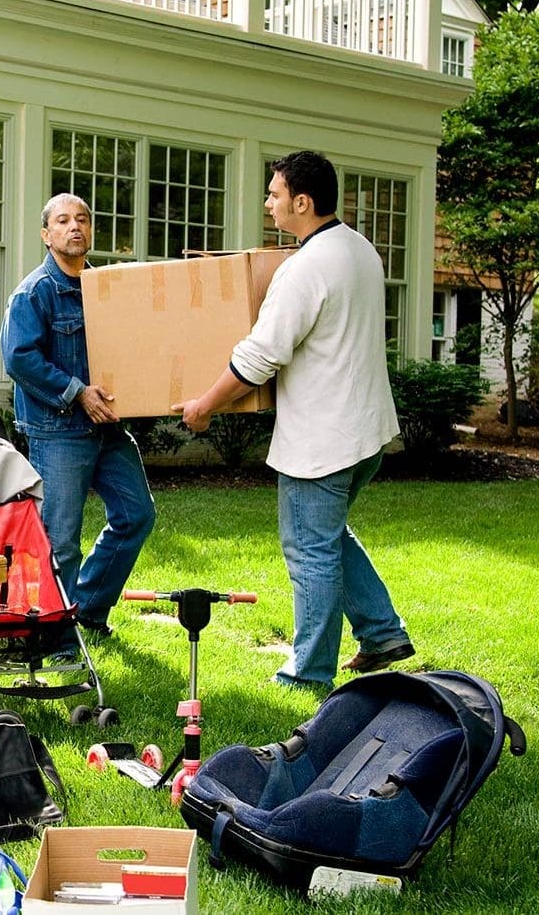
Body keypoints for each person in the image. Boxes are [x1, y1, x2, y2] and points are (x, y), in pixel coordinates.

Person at [172, 150, 412, 690]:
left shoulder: (305, 268)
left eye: (275, 194)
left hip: (322, 440)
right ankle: (381, 631)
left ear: (302, 202)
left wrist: (204, 405)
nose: (268, 203)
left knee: (310, 551)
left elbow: (261, 356)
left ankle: (309, 672)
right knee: (327, 538)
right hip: (367, 432)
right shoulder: (361, 250)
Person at [1, 193, 155, 641]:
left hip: (107, 427)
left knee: (136, 514)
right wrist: (76, 392)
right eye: (63, 221)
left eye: (83, 219)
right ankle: (54, 638)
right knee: (62, 540)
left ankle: (86, 609)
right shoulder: (34, 293)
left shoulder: (106, 290)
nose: (75, 227)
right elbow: (19, 357)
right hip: (59, 430)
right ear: (47, 235)